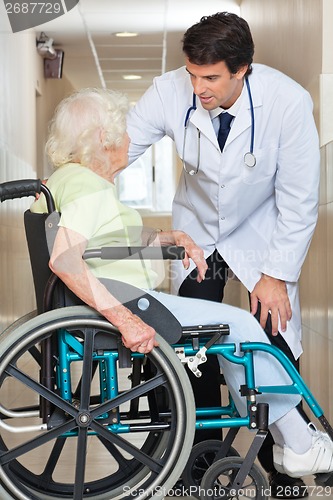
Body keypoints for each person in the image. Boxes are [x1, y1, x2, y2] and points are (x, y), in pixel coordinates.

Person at [30, 87, 333, 482]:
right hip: (130, 303)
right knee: (242, 328)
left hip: (120, 296)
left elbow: (101, 244)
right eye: (123, 132)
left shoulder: (66, 180)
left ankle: (291, 439)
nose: (129, 139)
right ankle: (298, 444)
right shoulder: (91, 186)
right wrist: (124, 321)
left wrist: (167, 237)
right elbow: (67, 260)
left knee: (234, 328)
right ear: (104, 140)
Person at [126, 11, 320, 496]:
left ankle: (284, 461)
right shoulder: (170, 89)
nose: (198, 88)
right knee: (193, 347)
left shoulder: (288, 102)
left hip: (261, 234)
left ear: (242, 69)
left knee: (272, 341)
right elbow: (118, 149)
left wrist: (274, 274)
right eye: (192, 75)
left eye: (210, 78)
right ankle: (199, 461)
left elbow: (299, 199)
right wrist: (72, 177)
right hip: (198, 233)